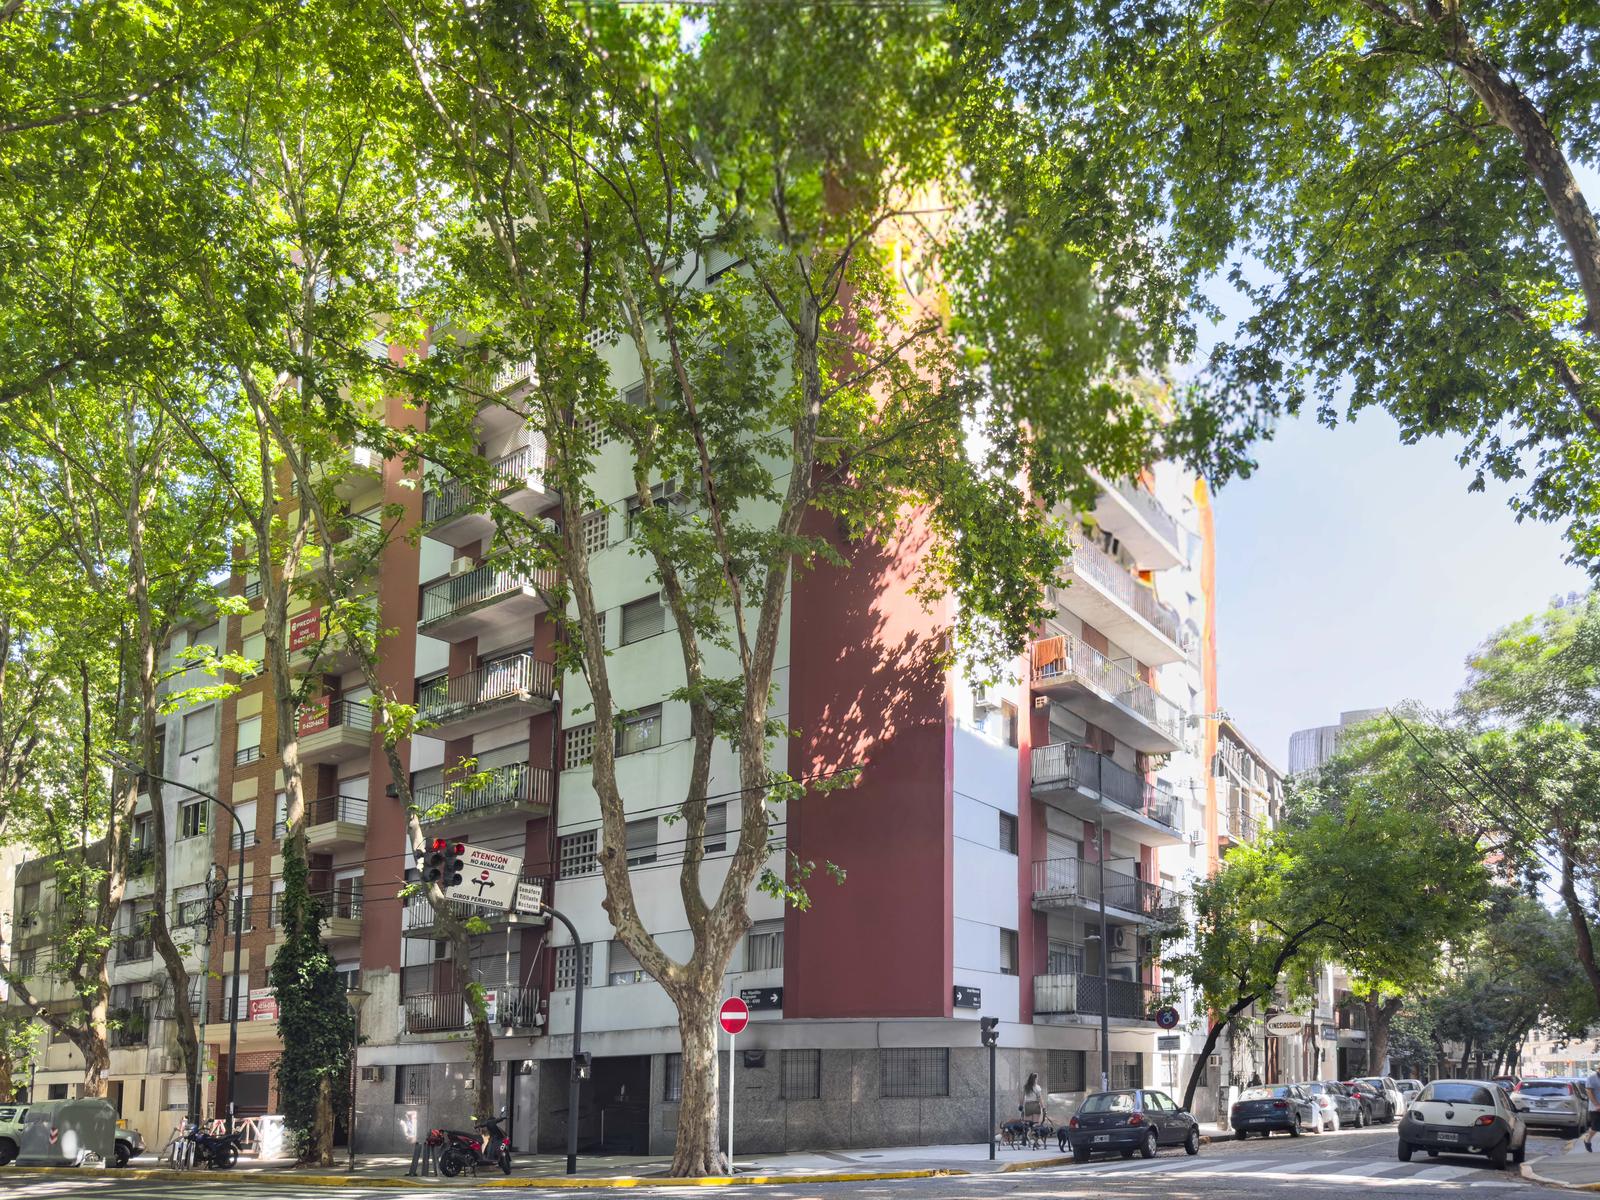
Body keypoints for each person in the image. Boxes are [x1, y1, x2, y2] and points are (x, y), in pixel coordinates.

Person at [1584, 1067, 1600, 1152]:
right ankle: (1587, 1139)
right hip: (1595, 1107)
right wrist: (1596, 1105)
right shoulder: (1591, 1078)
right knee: (1595, 1127)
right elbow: (1589, 1092)